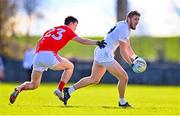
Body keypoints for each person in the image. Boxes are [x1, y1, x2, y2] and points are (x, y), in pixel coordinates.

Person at [9, 16, 107, 104]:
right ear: (71, 23)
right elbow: (82, 41)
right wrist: (97, 42)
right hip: (49, 55)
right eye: (75, 25)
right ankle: (59, 89)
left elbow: (39, 41)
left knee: (34, 84)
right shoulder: (68, 31)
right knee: (70, 67)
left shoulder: (51, 30)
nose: (76, 28)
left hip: (37, 56)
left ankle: (19, 88)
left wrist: (39, 54)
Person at [63, 11, 141, 108]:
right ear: (128, 19)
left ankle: (68, 90)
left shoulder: (124, 26)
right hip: (105, 53)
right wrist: (132, 64)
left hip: (101, 51)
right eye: (135, 19)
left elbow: (128, 47)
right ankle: (122, 102)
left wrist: (136, 58)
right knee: (124, 77)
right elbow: (123, 51)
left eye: (138, 19)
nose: (137, 21)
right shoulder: (124, 28)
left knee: (94, 79)